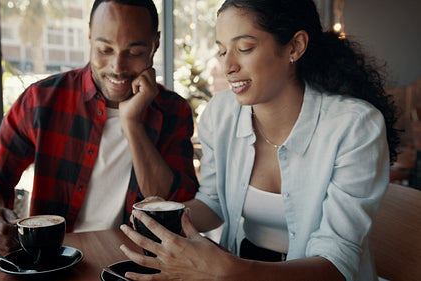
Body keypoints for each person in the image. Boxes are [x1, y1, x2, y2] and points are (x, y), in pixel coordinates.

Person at [119, 0, 400, 280]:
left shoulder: (355, 126)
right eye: (222, 50)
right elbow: (213, 203)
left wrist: (227, 270)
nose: (227, 65)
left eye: (244, 49)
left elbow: (337, 263)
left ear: (295, 47)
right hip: (243, 265)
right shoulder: (221, 113)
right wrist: (165, 214)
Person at [0, 0, 198, 253]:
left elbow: (172, 205)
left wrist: (131, 123)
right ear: (89, 38)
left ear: (156, 44)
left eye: (135, 52)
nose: (117, 67)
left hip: (134, 265)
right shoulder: (42, 100)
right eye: (104, 49)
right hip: (54, 263)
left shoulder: (174, 111)